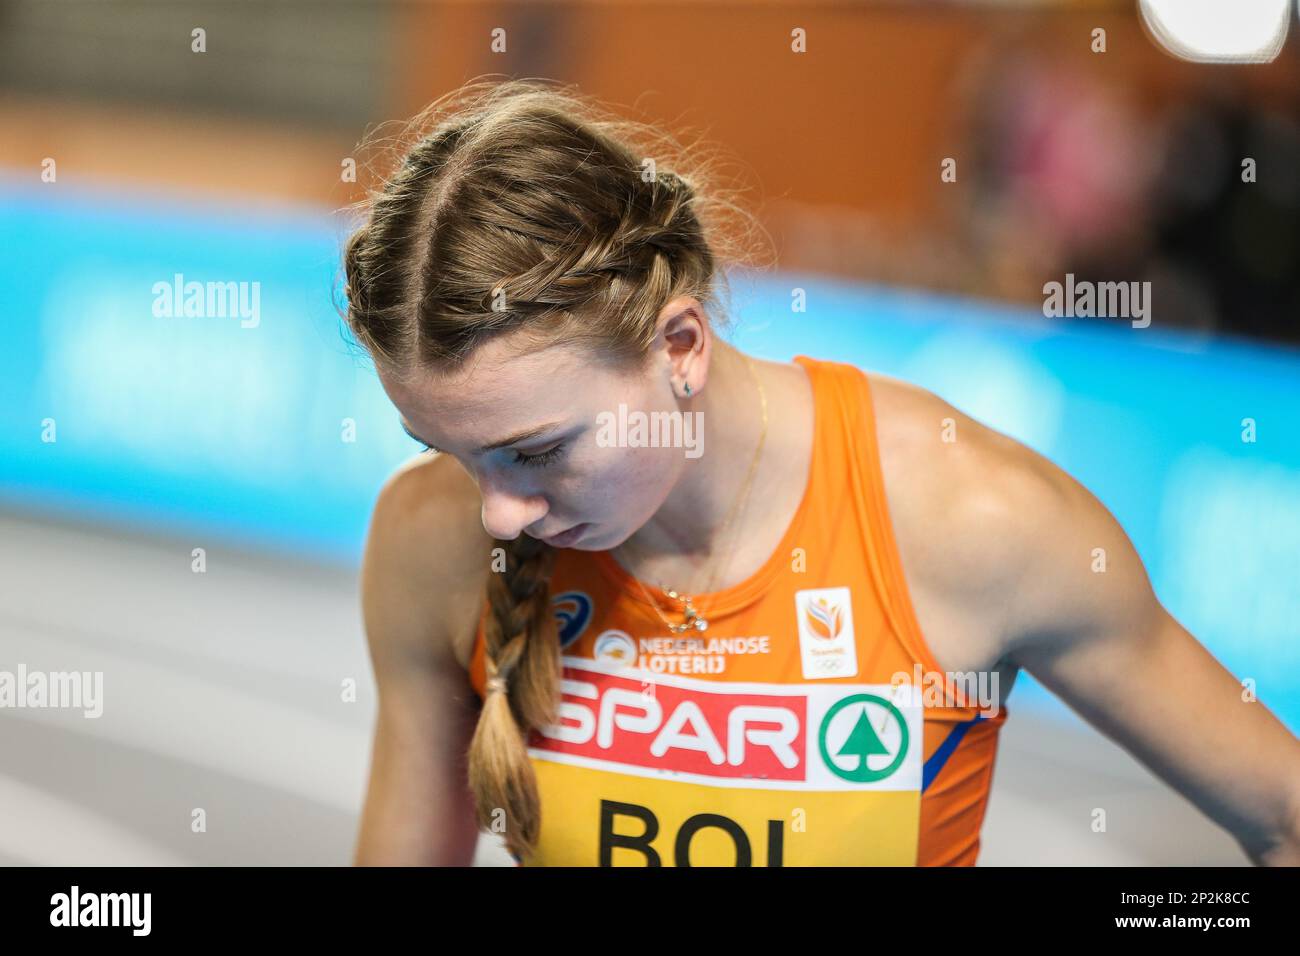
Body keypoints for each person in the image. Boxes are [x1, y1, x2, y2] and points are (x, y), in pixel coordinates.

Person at [344, 77, 1300, 867]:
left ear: (680, 345)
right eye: (450, 452)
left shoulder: (974, 520)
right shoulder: (433, 540)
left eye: (539, 451)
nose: (501, 514)